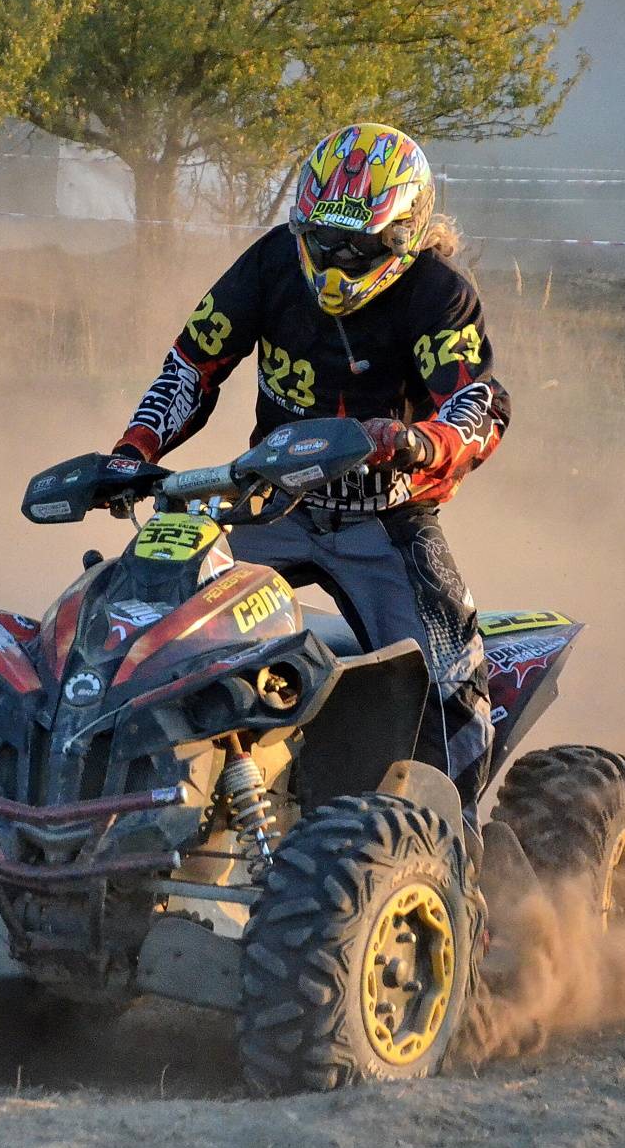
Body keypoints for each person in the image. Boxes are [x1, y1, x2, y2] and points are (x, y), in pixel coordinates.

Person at [110, 122, 511, 804]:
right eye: (320, 237)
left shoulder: (437, 293)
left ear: (403, 233)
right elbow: (192, 363)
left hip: (385, 517)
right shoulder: (272, 261)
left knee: (451, 682)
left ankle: (460, 845)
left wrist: (423, 441)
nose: (334, 258)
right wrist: (132, 451)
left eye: (356, 245)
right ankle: (128, 794)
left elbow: (477, 398)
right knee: (146, 619)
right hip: (268, 501)